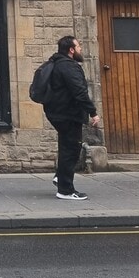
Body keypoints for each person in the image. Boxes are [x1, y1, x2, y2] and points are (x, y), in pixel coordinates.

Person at [43, 36, 101, 200]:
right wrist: (93, 112)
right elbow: (79, 92)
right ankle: (65, 190)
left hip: (58, 113)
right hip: (67, 114)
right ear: (71, 50)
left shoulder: (57, 63)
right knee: (71, 150)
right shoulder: (68, 67)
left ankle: (60, 177)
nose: (80, 48)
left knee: (68, 148)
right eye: (78, 46)